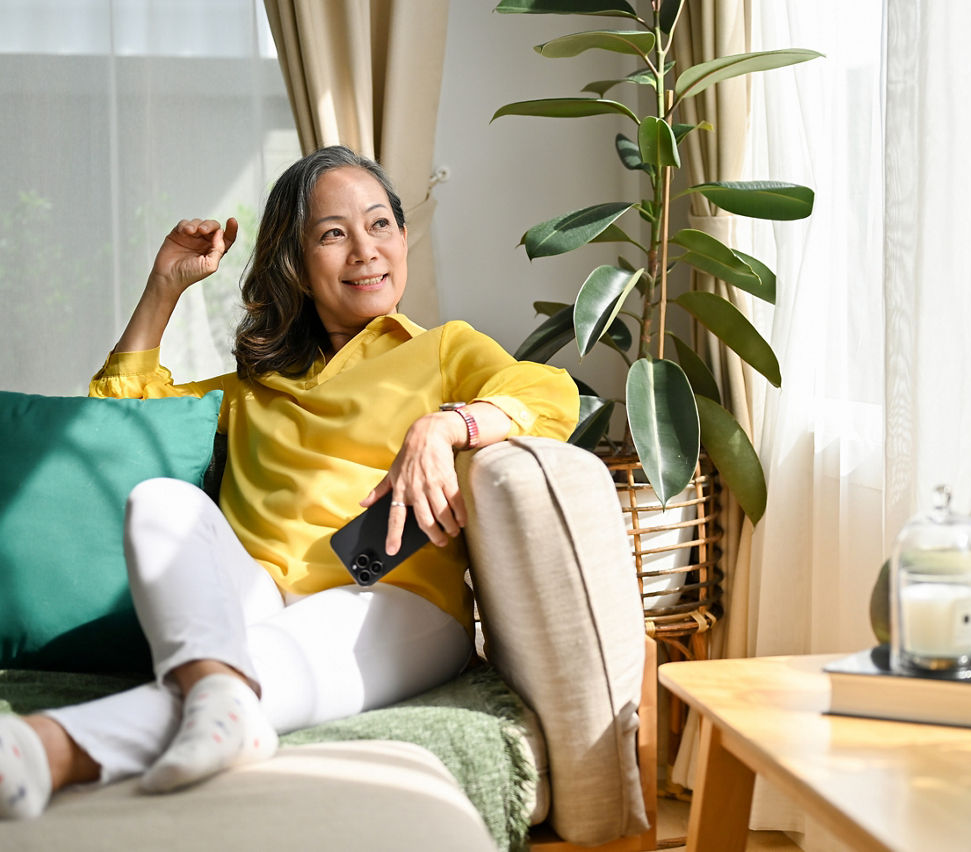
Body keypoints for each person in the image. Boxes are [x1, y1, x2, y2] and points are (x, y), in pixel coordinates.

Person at [0, 145, 577, 820]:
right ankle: (215, 695)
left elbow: (548, 392)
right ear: (297, 267)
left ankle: (45, 747)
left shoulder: (443, 348)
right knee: (158, 500)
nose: (365, 250)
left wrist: (444, 427)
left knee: (251, 667)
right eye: (333, 234)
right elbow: (123, 414)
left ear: (401, 235)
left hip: (389, 600)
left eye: (380, 224)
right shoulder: (255, 388)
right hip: (254, 600)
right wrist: (164, 287)